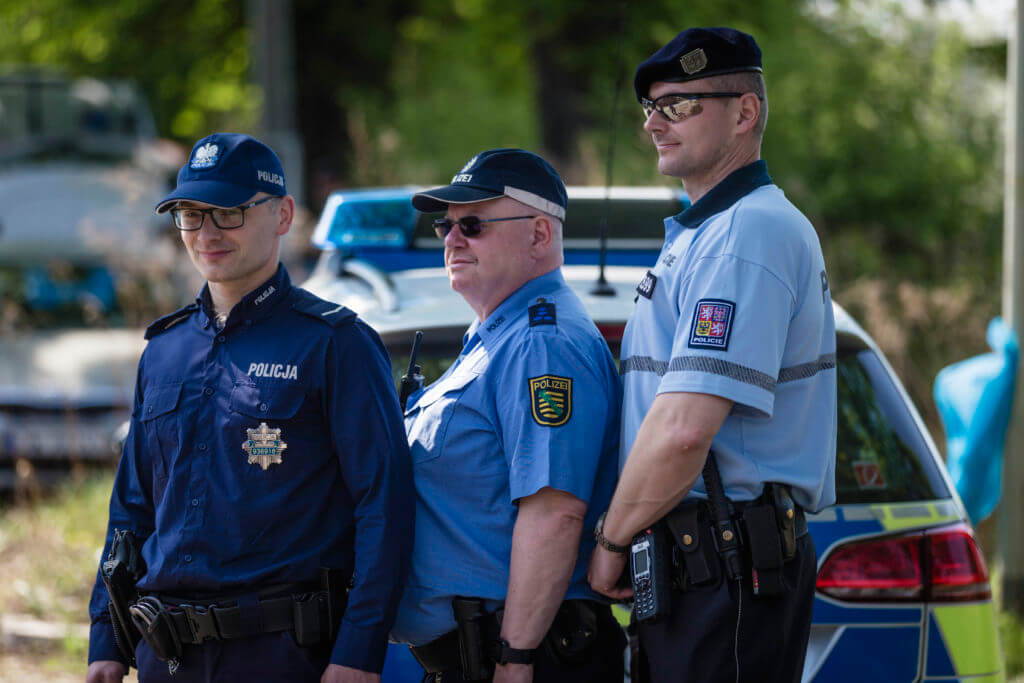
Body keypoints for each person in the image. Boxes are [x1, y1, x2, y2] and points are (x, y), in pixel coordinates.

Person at [85, 133, 414, 683]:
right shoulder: (164, 351)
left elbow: (386, 506)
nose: (207, 232)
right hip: (167, 655)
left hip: (287, 656)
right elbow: (132, 512)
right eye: (190, 214)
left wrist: (358, 653)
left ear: (283, 215)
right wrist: (107, 641)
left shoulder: (336, 344)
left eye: (229, 212)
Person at [587, 27, 837, 683]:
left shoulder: (746, 232)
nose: (653, 124)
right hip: (698, 564)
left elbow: (684, 428)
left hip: (721, 565)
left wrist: (611, 541)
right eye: (650, 108)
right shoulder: (706, 233)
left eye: (677, 105)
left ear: (744, 112)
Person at [390, 148, 625, 682]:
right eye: (445, 225)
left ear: (540, 235)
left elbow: (554, 513)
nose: (452, 238)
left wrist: (514, 660)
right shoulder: (495, 337)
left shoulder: (544, 345)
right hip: (476, 655)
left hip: (524, 656)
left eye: (472, 224)